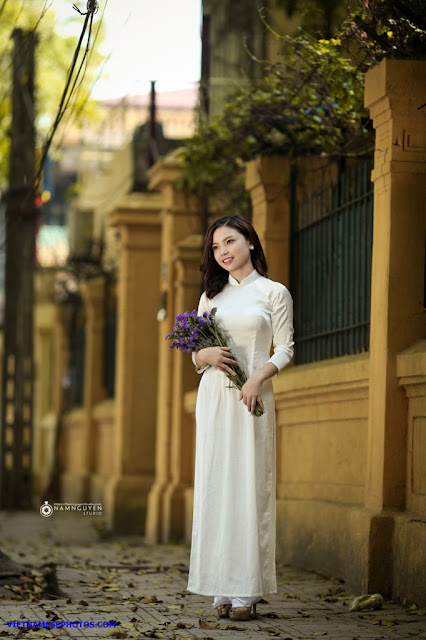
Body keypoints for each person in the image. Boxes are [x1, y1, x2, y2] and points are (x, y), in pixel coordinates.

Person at [187, 215, 294, 621]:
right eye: (216, 247)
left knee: (250, 485)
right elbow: (196, 353)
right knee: (218, 485)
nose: (223, 252)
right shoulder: (210, 297)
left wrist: (257, 378)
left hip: (253, 398)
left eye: (230, 242)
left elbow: (285, 348)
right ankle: (221, 585)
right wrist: (205, 355)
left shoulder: (274, 292)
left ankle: (246, 589)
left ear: (250, 241)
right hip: (215, 397)